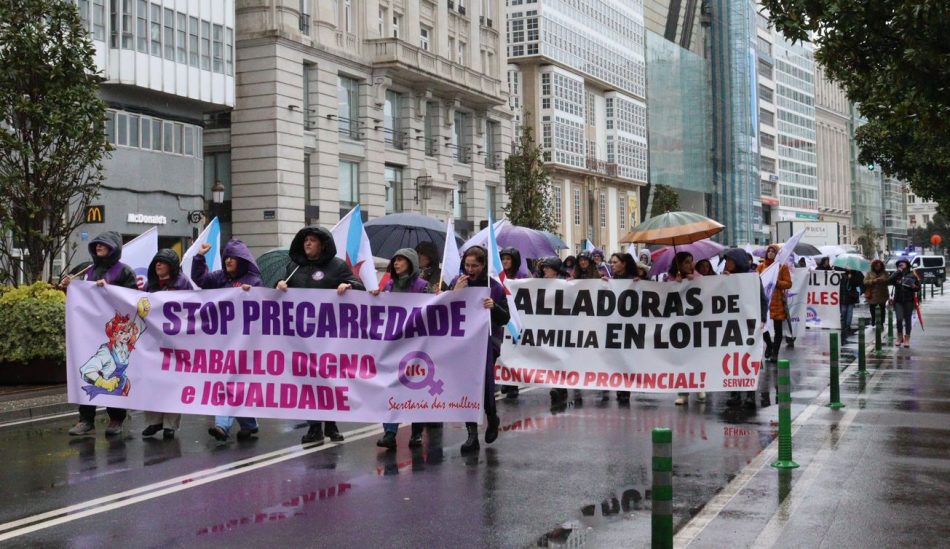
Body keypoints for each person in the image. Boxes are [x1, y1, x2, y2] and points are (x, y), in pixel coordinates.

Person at [277, 226, 365, 445]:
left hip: (329, 338)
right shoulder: (293, 267)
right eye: (305, 240)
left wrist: (349, 285)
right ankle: (315, 427)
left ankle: (332, 425)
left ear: (322, 245)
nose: (307, 243)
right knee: (309, 382)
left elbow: (360, 288)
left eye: (312, 240)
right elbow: (277, 295)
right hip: (302, 338)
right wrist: (277, 285)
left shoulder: (336, 267)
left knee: (329, 381)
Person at [61, 231, 138, 437]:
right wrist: (67, 287)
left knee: (113, 374)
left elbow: (132, 300)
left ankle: (116, 418)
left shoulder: (124, 272)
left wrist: (110, 289)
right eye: (96, 245)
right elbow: (77, 299)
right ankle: (85, 419)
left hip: (113, 335)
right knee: (86, 372)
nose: (98, 248)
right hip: (88, 332)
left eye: (102, 245)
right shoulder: (86, 270)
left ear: (113, 248)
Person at [191, 239, 264, 441]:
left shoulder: (254, 280)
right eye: (227, 257)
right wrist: (199, 257)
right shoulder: (219, 277)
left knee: (230, 380)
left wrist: (253, 295)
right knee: (231, 380)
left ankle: (222, 425)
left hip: (244, 341)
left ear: (242, 260)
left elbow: (262, 308)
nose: (229, 261)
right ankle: (249, 424)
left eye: (233, 258)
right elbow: (200, 280)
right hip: (222, 339)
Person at [449, 246, 510, 453]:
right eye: (467, 265)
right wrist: (453, 294)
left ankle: (492, 417)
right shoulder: (457, 283)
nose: (470, 269)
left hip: (486, 343)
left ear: (483, 265)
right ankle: (471, 434)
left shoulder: (494, 287)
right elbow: (442, 309)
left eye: (475, 265)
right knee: (467, 387)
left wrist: (495, 306)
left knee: (484, 385)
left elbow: (505, 318)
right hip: (463, 344)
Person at [371, 248, 430, 450]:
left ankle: (416, 433)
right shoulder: (388, 285)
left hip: (416, 345)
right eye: (395, 260)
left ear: (411, 263)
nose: (396, 263)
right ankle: (389, 432)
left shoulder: (422, 286)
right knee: (391, 387)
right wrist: (376, 297)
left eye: (401, 260)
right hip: (393, 344)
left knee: (415, 388)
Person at [140, 249, 191, 438]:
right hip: (153, 341)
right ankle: (154, 421)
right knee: (152, 381)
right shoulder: (149, 285)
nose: (158, 265)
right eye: (156, 262)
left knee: (172, 383)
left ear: (171, 266)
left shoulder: (183, 283)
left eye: (162, 262)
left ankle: (170, 424)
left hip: (174, 342)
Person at [722, 248, 769, 409]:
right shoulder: (725, 277)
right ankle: (734, 393)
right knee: (732, 359)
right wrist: (723, 281)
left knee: (748, 359)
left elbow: (762, 299)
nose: (727, 263)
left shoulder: (752, 277)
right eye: (726, 260)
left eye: (730, 260)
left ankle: (749, 394)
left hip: (748, 325)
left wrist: (763, 319)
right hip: (731, 325)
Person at [667, 252, 705, 405]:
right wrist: (676, 284)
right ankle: (683, 392)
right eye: (687, 262)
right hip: (678, 326)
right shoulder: (669, 279)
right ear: (679, 265)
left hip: (696, 324)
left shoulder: (698, 277)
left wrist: (694, 282)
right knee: (681, 359)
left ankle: (700, 386)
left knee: (696, 356)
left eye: (692, 261)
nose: (691, 265)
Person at [499, 247, 527, 399]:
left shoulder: (522, 276)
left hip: (518, 318)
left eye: (508, 259)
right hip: (503, 316)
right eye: (503, 258)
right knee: (504, 350)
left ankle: (512, 383)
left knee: (515, 350)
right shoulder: (497, 276)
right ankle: (505, 379)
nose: (505, 261)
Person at [756, 245, 792, 363]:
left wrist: (776, 282)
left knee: (778, 330)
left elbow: (788, 284)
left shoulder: (782, 268)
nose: (770, 253)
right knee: (763, 328)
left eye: (773, 251)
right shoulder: (760, 267)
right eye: (769, 251)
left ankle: (775, 353)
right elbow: (755, 281)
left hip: (777, 303)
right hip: (764, 303)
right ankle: (769, 345)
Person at [889, 258, 919, 348]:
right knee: (899, 319)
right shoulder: (896, 274)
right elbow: (889, 281)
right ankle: (899, 337)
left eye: (903, 263)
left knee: (908, 320)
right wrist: (897, 272)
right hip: (898, 300)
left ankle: (907, 339)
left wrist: (914, 286)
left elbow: (918, 287)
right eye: (899, 264)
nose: (901, 265)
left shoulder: (912, 274)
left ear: (907, 264)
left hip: (908, 300)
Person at [838, 267, 865, 340]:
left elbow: (861, 284)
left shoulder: (857, 274)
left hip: (851, 296)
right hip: (843, 295)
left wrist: (851, 279)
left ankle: (847, 325)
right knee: (843, 311)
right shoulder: (841, 272)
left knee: (849, 311)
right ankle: (843, 324)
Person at [864, 259, 889, 328]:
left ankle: (881, 322)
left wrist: (883, 280)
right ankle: (873, 319)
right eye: (876, 266)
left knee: (882, 308)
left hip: (882, 293)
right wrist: (873, 281)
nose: (878, 267)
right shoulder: (869, 273)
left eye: (879, 266)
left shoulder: (885, 273)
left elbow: (889, 281)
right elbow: (865, 282)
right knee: (872, 308)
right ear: (873, 266)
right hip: (872, 294)